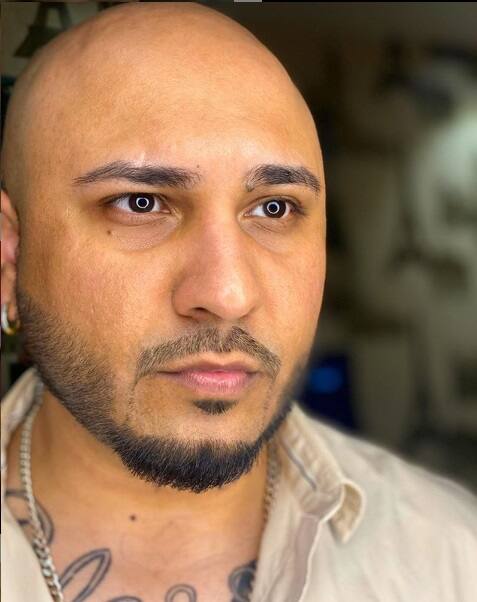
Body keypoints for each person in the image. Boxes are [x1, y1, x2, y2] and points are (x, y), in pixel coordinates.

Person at [1, 3, 476, 601]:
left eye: (274, 208)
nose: (228, 295)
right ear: (10, 258)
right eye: (141, 203)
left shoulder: (451, 559)